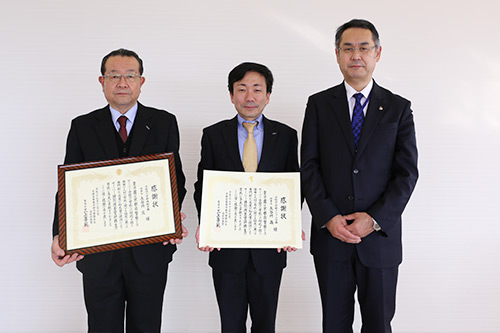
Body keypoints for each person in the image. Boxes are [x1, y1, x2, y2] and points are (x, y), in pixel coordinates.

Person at [50, 48, 187, 333]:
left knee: (147, 327)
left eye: (130, 76)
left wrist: (171, 219)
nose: (122, 82)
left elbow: (176, 179)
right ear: (102, 81)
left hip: (149, 252)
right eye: (114, 76)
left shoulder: (163, 122)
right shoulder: (83, 126)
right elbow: (68, 187)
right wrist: (59, 235)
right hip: (98, 255)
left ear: (141, 81)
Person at [301, 19, 418, 332]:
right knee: (334, 325)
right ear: (337, 55)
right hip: (331, 238)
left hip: (379, 240)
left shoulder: (398, 108)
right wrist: (328, 217)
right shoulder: (319, 105)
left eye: (364, 48)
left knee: (378, 324)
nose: (356, 55)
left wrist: (374, 218)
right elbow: (309, 165)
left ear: (377, 54)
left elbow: (406, 174)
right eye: (348, 48)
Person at [194, 62, 301, 333]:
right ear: (231, 95)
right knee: (230, 324)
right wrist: (206, 226)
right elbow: (203, 185)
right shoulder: (214, 135)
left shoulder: (286, 135)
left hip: (270, 249)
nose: (249, 97)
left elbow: (293, 185)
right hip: (226, 249)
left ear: (268, 96)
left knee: (266, 324)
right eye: (241, 89)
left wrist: (289, 227)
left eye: (257, 89)